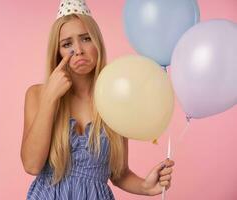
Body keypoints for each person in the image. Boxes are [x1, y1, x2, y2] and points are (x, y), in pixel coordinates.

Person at [21, 0, 175, 199]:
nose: (78, 50)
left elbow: (119, 173)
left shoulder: (115, 98)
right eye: (67, 44)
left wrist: (145, 186)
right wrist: (50, 97)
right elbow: (31, 165)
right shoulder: (37, 95)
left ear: (97, 42)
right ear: (57, 52)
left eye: (86, 39)